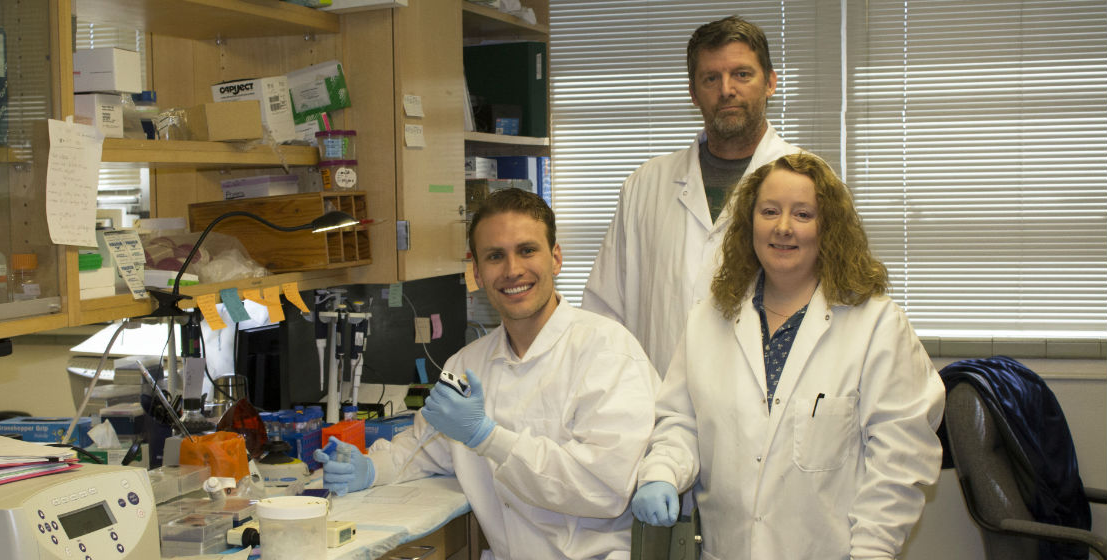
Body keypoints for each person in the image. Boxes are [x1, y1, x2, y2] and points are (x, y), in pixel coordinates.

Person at [630, 153, 945, 559]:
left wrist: (872, 550)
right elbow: (681, 422)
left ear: (827, 227)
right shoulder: (709, 320)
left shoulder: (876, 325)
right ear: (750, 223)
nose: (783, 227)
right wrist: (662, 473)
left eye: (802, 214)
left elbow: (901, 460)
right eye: (769, 211)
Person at [318, 188, 660, 560]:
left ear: (556, 258)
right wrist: (370, 467)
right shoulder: (466, 365)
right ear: (478, 274)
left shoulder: (607, 351)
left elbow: (604, 489)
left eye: (527, 250)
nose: (512, 270)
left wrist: (487, 437)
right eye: (496, 256)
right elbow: (423, 449)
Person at [583, 15, 804, 376]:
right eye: (711, 78)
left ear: (771, 83)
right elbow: (604, 313)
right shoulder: (645, 185)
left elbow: (837, 305)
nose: (727, 89)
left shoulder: (810, 182)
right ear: (693, 92)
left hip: (769, 411)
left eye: (742, 74)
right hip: (658, 405)